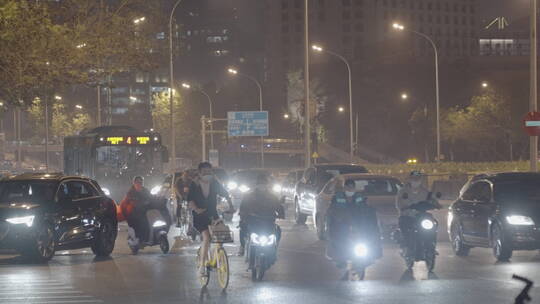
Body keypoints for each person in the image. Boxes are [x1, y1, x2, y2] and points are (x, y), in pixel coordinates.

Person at [187, 162, 234, 275]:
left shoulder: (214, 182)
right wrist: (196, 209)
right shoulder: (194, 184)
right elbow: (190, 200)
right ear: (199, 173)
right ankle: (202, 266)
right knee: (207, 237)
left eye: (209, 171)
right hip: (199, 216)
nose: (207, 174)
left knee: (221, 235)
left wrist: (231, 206)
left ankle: (217, 255)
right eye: (204, 172)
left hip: (213, 214)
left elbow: (225, 193)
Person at [326, 179, 382, 270]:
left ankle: (367, 257)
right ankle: (341, 259)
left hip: (357, 224)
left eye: (352, 187)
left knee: (368, 237)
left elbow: (366, 209)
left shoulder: (360, 197)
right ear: (344, 188)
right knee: (339, 239)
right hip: (341, 224)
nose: (350, 189)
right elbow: (332, 210)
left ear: (354, 188)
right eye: (348, 187)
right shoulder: (337, 197)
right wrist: (338, 218)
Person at [238, 174, 285, 256]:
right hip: (253, 221)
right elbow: (243, 207)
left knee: (278, 230)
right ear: (257, 185)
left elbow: (278, 206)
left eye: (264, 184)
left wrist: (281, 214)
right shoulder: (249, 196)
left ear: (267, 185)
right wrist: (243, 214)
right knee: (242, 227)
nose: (262, 186)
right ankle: (242, 246)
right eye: (260, 184)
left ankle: (274, 248)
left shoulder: (272, 197)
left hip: (268, 221)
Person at [396, 171, 440, 251]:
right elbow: (399, 203)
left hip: (421, 216)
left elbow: (432, 199)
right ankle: (406, 246)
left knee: (434, 223)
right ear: (410, 179)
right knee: (404, 225)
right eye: (414, 178)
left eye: (418, 179)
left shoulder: (425, 191)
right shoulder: (403, 191)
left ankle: (431, 244)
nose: (416, 181)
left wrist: (437, 204)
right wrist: (405, 207)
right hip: (408, 216)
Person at [120, 176, 152, 243]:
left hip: (144, 211)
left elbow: (151, 198)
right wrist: (137, 203)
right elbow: (131, 202)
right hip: (132, 213)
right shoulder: (131, 192)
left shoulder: (145, 190)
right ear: (134, 183)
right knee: (141, 222)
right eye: (137, 182)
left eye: (141, 182)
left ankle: (147, 237)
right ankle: (138, 238)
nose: (139, 184)